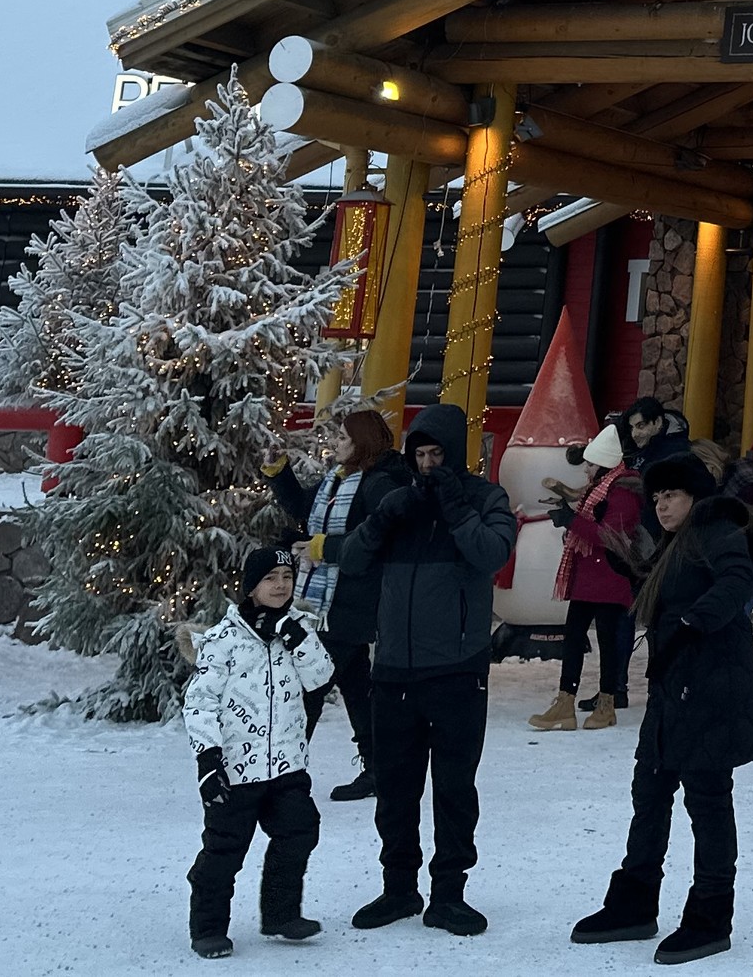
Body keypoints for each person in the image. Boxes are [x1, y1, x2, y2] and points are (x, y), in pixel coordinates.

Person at [571, 447, 753, 963]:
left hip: (712, 690)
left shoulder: (719, 530)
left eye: (672, 494)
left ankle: (710, 914)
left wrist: (690, 624)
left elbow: (737, 582)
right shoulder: (675, 545)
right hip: (672, 691)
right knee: (650, 793)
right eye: (656, 496)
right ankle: (635, 901)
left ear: (696, 496)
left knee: (707, 800)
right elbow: (669, 594)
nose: (660, 505)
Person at [336, 403, 517, 937]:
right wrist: (385, 515)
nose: (429, 464)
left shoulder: (486, 499)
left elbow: (492, 555)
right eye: (420, 455)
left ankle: (449, 894)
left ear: (455, 454)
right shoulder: (401, 502)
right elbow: (350, 560)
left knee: (454, 788)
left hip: (458, 671)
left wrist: (457, 509)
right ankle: (398, 889)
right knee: (395, 787)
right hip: (393, 669)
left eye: (438, 454)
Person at [182, 546, 334, 958]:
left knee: (300, 830)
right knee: (224, 850)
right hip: (235, 769)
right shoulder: (223, 640)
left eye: (286, 577)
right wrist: (209, 761)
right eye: (270, 578)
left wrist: (294, 636)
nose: (280, 585)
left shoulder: (299, 627)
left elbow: (321, 676)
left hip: (286, 764)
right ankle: (208, 928)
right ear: (251, 587)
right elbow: (199, 703)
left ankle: (282, 913)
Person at [267, 406, 409, 799]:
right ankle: (378, 770)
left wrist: (321, 548)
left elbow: (377, 541)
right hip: (331, 605)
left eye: (342, 438)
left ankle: (285, 775)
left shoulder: (379, 484)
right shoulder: (339, 479)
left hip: (350, 604)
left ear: (361, 441)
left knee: (307, 687)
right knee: (356, 685)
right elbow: (303, 508)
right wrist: (279, 470)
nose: (335, 444)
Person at [532, 418, 644, 733]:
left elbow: (611, 535)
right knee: (573, 638)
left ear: (603, 464)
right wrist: (567, 517)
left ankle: (606, 703)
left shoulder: (623, 490)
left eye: (590, 465)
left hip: (611, 576)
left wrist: (570, 520)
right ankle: (565, 700)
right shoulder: (600, 488)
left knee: (608, 642)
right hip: (588, 575)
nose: (586, 471)